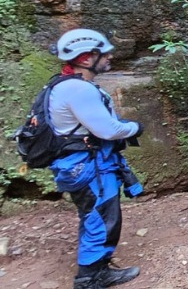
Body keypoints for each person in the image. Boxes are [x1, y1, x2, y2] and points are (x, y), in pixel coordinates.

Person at [48, 29, 144, 289]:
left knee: (96, 217)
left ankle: (97, 269)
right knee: (101, 219)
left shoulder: (67, 85)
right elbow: (107, 130)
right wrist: (134, 128)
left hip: (86, 164)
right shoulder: (78, 90)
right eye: (104, 53)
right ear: (86, 58)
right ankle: (90, 279)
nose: (110, 56)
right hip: (89, 167)